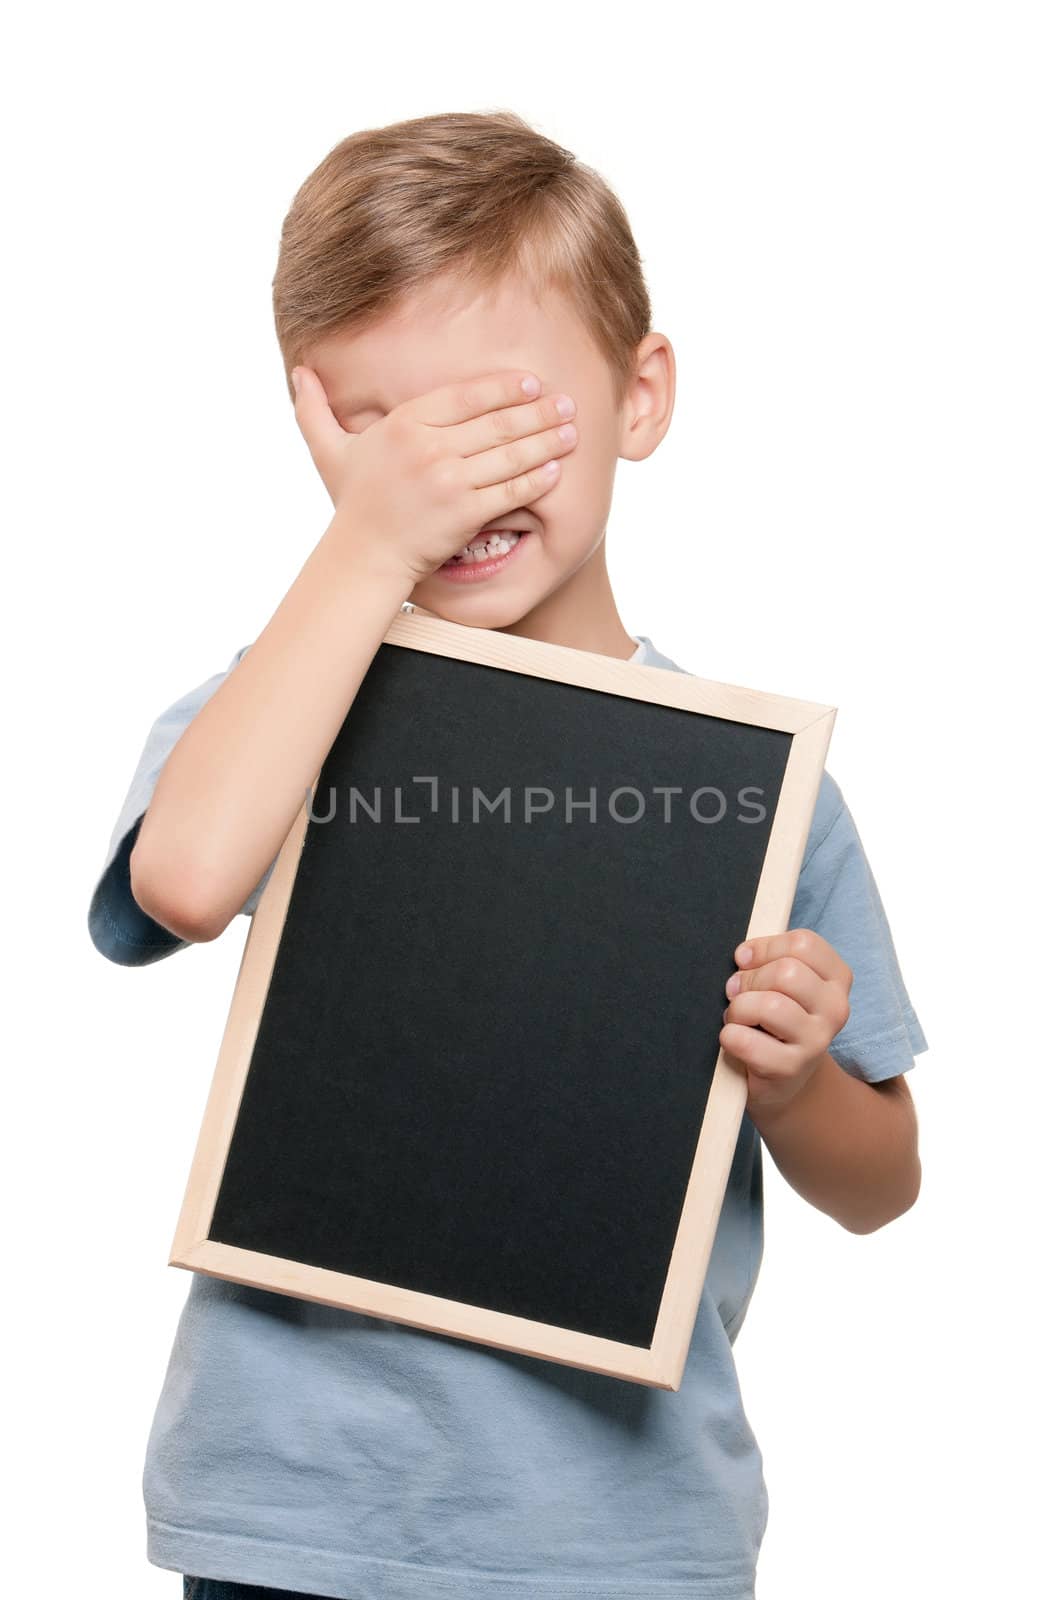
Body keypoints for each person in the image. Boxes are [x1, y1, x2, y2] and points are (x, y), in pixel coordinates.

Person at [88, 110, 928, 1600]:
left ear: (639, 395)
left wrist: (796, 1083)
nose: (453, 483)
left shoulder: (752, 785)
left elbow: (883, 1183)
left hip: (617, 1538)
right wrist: (366, 544)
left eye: (503, 419)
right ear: (313, 427)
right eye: (389, 434)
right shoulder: (275, 710)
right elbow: (185, 880)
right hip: (286, 1523)